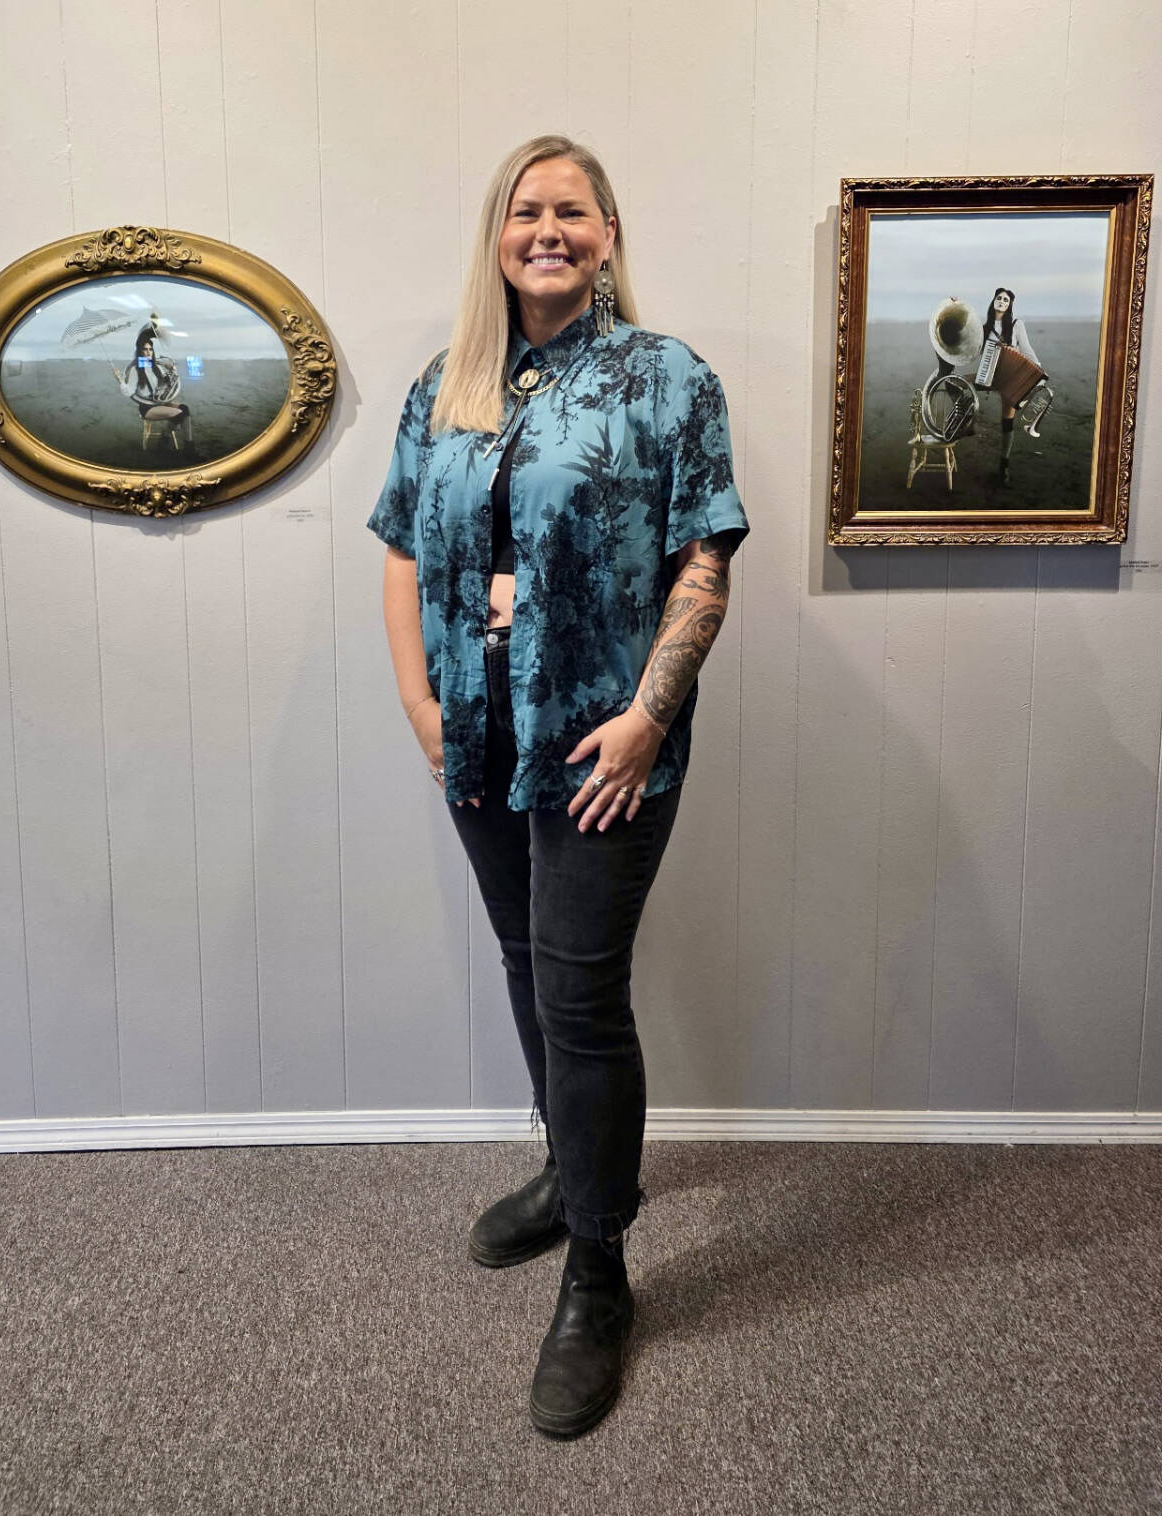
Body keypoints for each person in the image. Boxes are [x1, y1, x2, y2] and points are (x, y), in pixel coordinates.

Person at [367, 134, 749, 1438]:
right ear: (497, 235)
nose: (547, 229)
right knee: (528, 967)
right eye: (525, 211)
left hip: (603, 744)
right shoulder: (447, 387)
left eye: (570, 210)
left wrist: (651, 717)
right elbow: (401, 555)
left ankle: (599, 1266)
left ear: (608, 230)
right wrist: (422, 706)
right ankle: (566, 1167)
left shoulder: (666, 381)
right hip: (477, 740)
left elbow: (705, 560)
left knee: (582, 993)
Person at [980, 286, 1043, 486]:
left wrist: (1039, 372)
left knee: (1006, 422)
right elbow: (974, 351)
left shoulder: (1016, 325)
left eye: (1006, 300)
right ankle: (968, 427)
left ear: (1010, 305)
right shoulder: (984, 328)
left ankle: (1004, 464)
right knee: (962, 385)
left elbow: (1027, 349)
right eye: (1000, 298)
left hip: (1011, 377)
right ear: (993, 300)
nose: (1002, 302)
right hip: (991, 376)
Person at [118, 322, 194, 454]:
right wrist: (120, 381)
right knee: (180, 415)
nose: (148, 352)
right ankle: (188, 450)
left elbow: (164, 384)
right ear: (140, 351)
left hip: (159, 402)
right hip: (148, 408)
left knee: (185, 409)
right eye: (145, 349)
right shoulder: (136, 369)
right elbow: (129, 392)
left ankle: (164, 440)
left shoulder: (155, 366)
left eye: (150, 349)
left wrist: (171, 371)